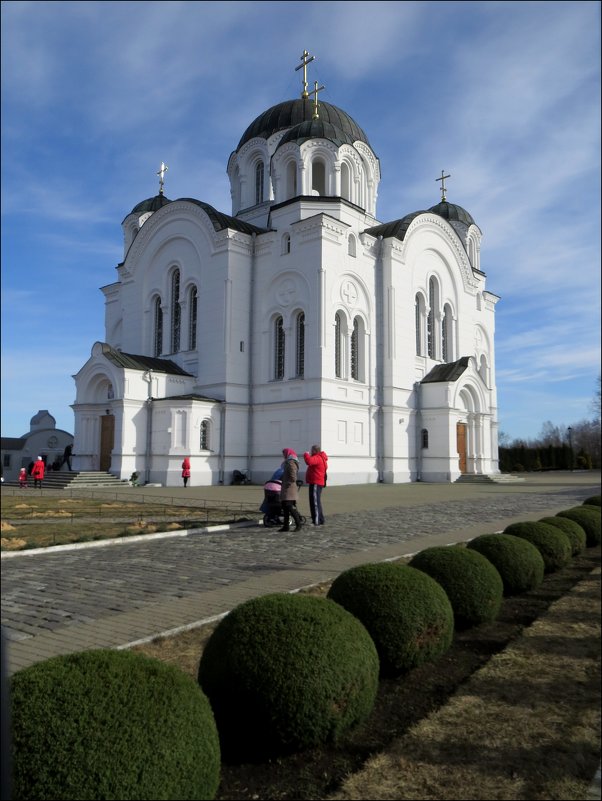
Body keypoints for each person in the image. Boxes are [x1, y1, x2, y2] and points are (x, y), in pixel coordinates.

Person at [279, 448, 303, 532]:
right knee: (285, 508)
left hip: (289, 488)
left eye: (284, 453)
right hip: (287, 488)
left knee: (289, 508)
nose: (283, 455)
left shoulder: (291, 462)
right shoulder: (288, 462)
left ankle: (298, 524)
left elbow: (293, 475)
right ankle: (286, 526)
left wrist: (290, 481)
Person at [303, 444, 328, 525]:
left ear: (315, 450)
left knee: (315, 502)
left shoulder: (317, 457)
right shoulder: (321, 458)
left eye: (311, 450)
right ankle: (320, 519)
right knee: (316, 501)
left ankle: (316, 521)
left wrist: (306, 454)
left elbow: (309, 461)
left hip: (316, 482)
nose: (310, 451)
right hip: (317, 482)